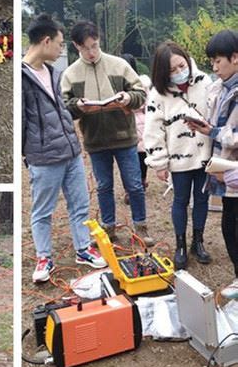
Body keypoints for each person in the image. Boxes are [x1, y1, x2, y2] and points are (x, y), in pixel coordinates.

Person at [22, 14, 107, 283]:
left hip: (71, 152)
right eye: (59, 44)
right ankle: (44, 257)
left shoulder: (54, 73)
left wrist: (78, 108)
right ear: (46, 41)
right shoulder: (22, 77)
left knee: (80, 204)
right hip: (44, 158)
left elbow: (61, 110)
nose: (61, 50)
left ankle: (83, 249)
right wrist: (30, 155)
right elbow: (21, 123)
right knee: (43, 211)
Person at [61, 21, 154, 246]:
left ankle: (141, 227)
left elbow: (140, 93)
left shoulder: (119, 65)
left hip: (124, 137)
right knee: (104, 186)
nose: (91, 52)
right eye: (85, 48)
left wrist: (128, 98)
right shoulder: (70, 74)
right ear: (76, 46)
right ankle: (109, 227)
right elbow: (64, 106)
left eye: (94, 46)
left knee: (134, 185)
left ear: (99, 41)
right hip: (95, 140)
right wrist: (78, 106)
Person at [143, 42, 212, 270]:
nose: (179, 72)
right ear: (163, 73)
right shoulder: (158, 94)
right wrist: (159, 162)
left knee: (202, 199)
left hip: (205, 154)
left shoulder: (204, 82)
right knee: (180, 200)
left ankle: (198, 242)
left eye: (181, 65)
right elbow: (153, 130)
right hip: (179, 156)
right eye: (172, 70)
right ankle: (180, 244)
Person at [186, 30, 238, 298]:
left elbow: (229, 133)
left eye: (219, 61)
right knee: (229, 226)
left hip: (233, 169)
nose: (215, 67)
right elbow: (215, 124)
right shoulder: (219, 88)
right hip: (226, 170)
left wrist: (213, 131)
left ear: (235, 58)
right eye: (212, 61)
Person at [120, 53, 152, 204]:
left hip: (136, 123)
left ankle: (137, 184)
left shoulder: (140, 83)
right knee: (133, 157)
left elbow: (147, 103)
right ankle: (134, 186)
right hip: (133, 123)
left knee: (136, 156)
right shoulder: (117, 84)